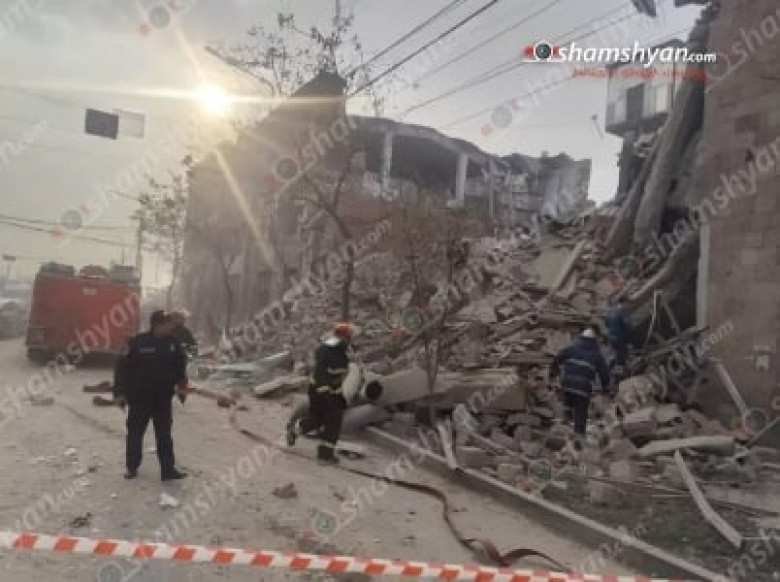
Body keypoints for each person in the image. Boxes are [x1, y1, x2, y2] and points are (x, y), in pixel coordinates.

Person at [113, 310, 189, 481]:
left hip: (162, 399)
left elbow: (180, 367)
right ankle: (132, 467)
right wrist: (119, 393)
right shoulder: (137, 342)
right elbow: (121, 368)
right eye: (167, 323)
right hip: (139, 398)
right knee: (135, 433)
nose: (171, 326)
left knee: (164, 435)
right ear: (157, 325)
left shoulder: (173, 343)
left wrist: (182, 386)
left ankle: (168, 470)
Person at [286, 322, 355, 464]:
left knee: (317, 418)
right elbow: (324, 375)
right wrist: (328, 395)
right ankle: (325, 454)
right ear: (343, 337)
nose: (350, 341)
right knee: (334, 421)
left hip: (320, 391)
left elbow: (335, 375)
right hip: (325, 392)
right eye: (348, 337)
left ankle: (296, 430)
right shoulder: (332, 353)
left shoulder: (332, 349)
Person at [550, 328, 610, 437]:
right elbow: (604, 373)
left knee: (567, 404)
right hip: (582, 387)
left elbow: (557, 359)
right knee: (580, 413)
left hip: (567, 383)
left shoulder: (571, 349)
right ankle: (579, 437)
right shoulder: (596, 355)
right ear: (594, 341)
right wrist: (606, 388)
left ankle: (563, 430)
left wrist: (553, 372)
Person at [604, 297, 633, 370]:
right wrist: (630, 341)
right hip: (620, 338)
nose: (629, 306)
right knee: (622, 356)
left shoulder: (610, 311)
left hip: (611, 337)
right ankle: (621, 371)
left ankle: (613, 368)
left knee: (617, 354)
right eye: (628, 304)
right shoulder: (624, 313)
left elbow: (606, 324)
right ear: (623, 303)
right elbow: (628, 328)